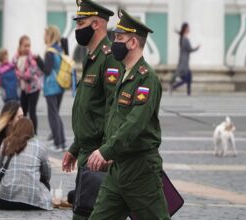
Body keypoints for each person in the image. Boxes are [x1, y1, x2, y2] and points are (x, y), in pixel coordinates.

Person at [86, 9, 170, 219]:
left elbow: (135, 123)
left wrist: (106, 150)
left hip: (140, 170)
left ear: (132, 43)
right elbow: (115, 119)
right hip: (117, 167)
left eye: (119, 38)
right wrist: (108, 152)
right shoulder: (125, 73)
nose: (114, 42)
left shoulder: (146, 79)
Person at [61, 0, 124, 219]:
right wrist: (75, 147)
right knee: (86, 211)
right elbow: (89, 109)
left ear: (96, 24)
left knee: (89, 214)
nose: (77, 29)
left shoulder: (109, 58)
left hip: (99, 154)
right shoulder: (92, 57)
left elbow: (113, 109)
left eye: (81, 24)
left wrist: (107, 150)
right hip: (87, 152)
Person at [0, 118, 52, 210]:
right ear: (32, 130)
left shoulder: (6, 142)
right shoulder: (40, 146)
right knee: (46, 185)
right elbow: (47, 175)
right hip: (33, 202)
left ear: (15, 128)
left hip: (4, 201)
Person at [43, 25, 66, 152]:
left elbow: (46, 70)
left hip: (51, 86)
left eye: (45, 34)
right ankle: (62, 142)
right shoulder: (59, 49)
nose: (44, 37)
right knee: (56, 114)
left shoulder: (50, 51)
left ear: (49, 35)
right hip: (60, 85)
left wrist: (38, 61)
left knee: (53, 115)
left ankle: (58, 143)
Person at [13, 35, 43, 134]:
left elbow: (30, 74)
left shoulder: (32, 57)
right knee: (23, 111)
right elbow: (12, 70)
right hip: (23, 88)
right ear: (20, 46)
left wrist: (19, 74)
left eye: (29, 46)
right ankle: (23, 132)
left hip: (34, 87)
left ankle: (34, 133)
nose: (27, 48)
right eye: (25, 46)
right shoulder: (15, 58)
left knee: (32, 110)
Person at [169, 22, 200, 96]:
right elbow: (189, 49)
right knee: (186, 79)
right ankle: (173, 86)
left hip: (184, 61)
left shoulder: (182, 37)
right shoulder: (185, 39)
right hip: (184, 62)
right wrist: (197, 48)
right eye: (188, 27)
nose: (189, 29)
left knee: (189, 77)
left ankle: (188, 93)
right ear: (185, 29)